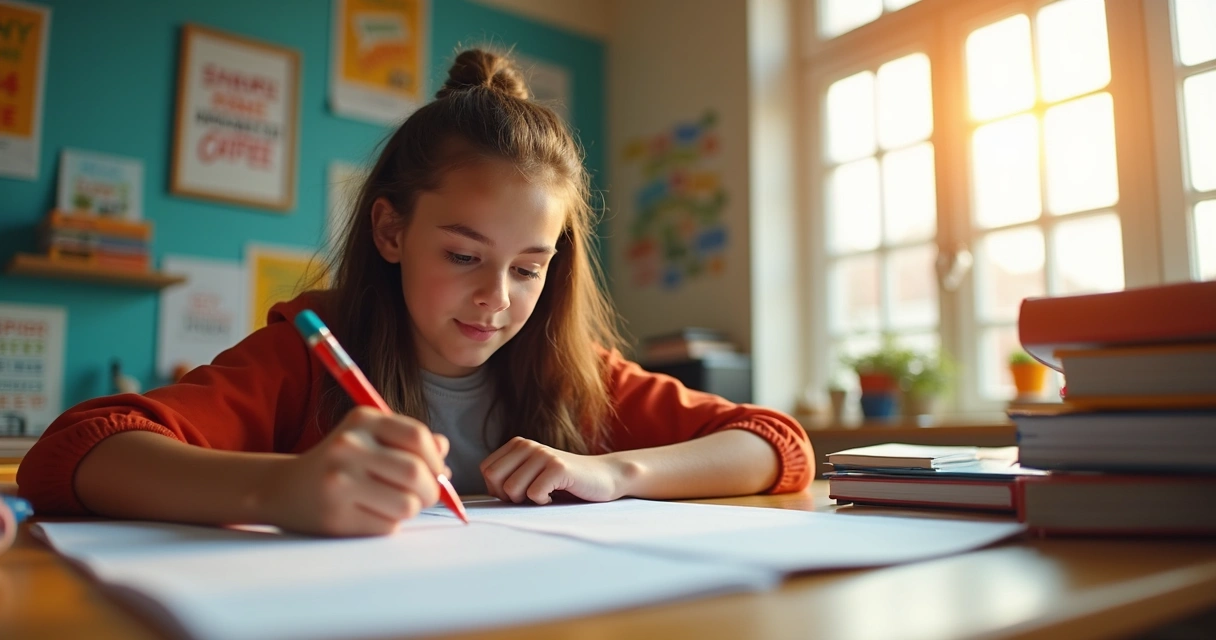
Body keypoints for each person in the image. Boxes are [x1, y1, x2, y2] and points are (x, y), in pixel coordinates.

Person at [18, 49, 812, 537]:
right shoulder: (308, 354)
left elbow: (776, 445)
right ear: (391, 230)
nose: (496, 297)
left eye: (528, 267)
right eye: (464, 255)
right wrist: (277, 489)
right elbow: (73, 451)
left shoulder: (573, 371)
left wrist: (616, 474)